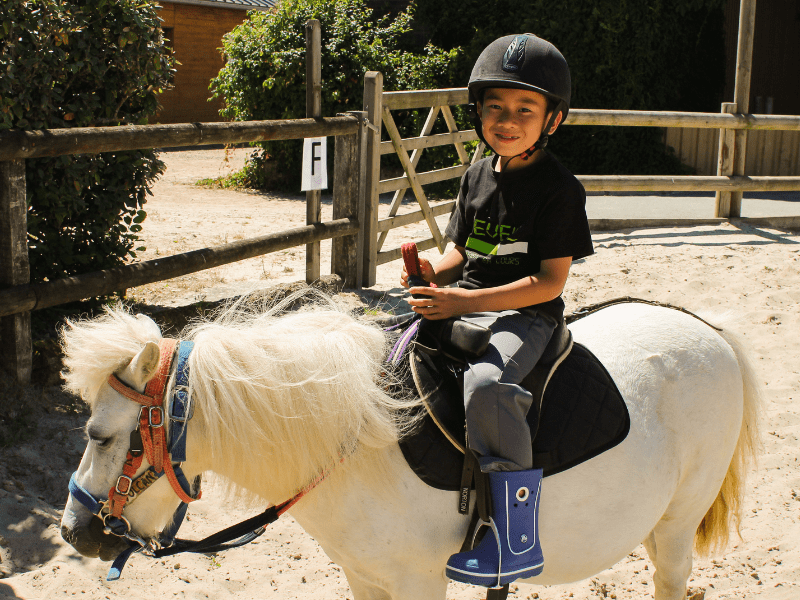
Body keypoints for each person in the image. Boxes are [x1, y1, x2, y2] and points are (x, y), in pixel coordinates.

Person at [400, 34, 594, 588]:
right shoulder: (477, 174)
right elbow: (463, 250)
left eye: (524, 110)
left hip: (528, 315)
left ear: (551, 120)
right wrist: (433, 272)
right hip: (471, 300)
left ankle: (513, 535)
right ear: (479, 112)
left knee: (487, 385)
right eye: (495, 108)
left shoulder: (559, 189)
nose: (507, 121)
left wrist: (464, 300)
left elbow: (549, 282)